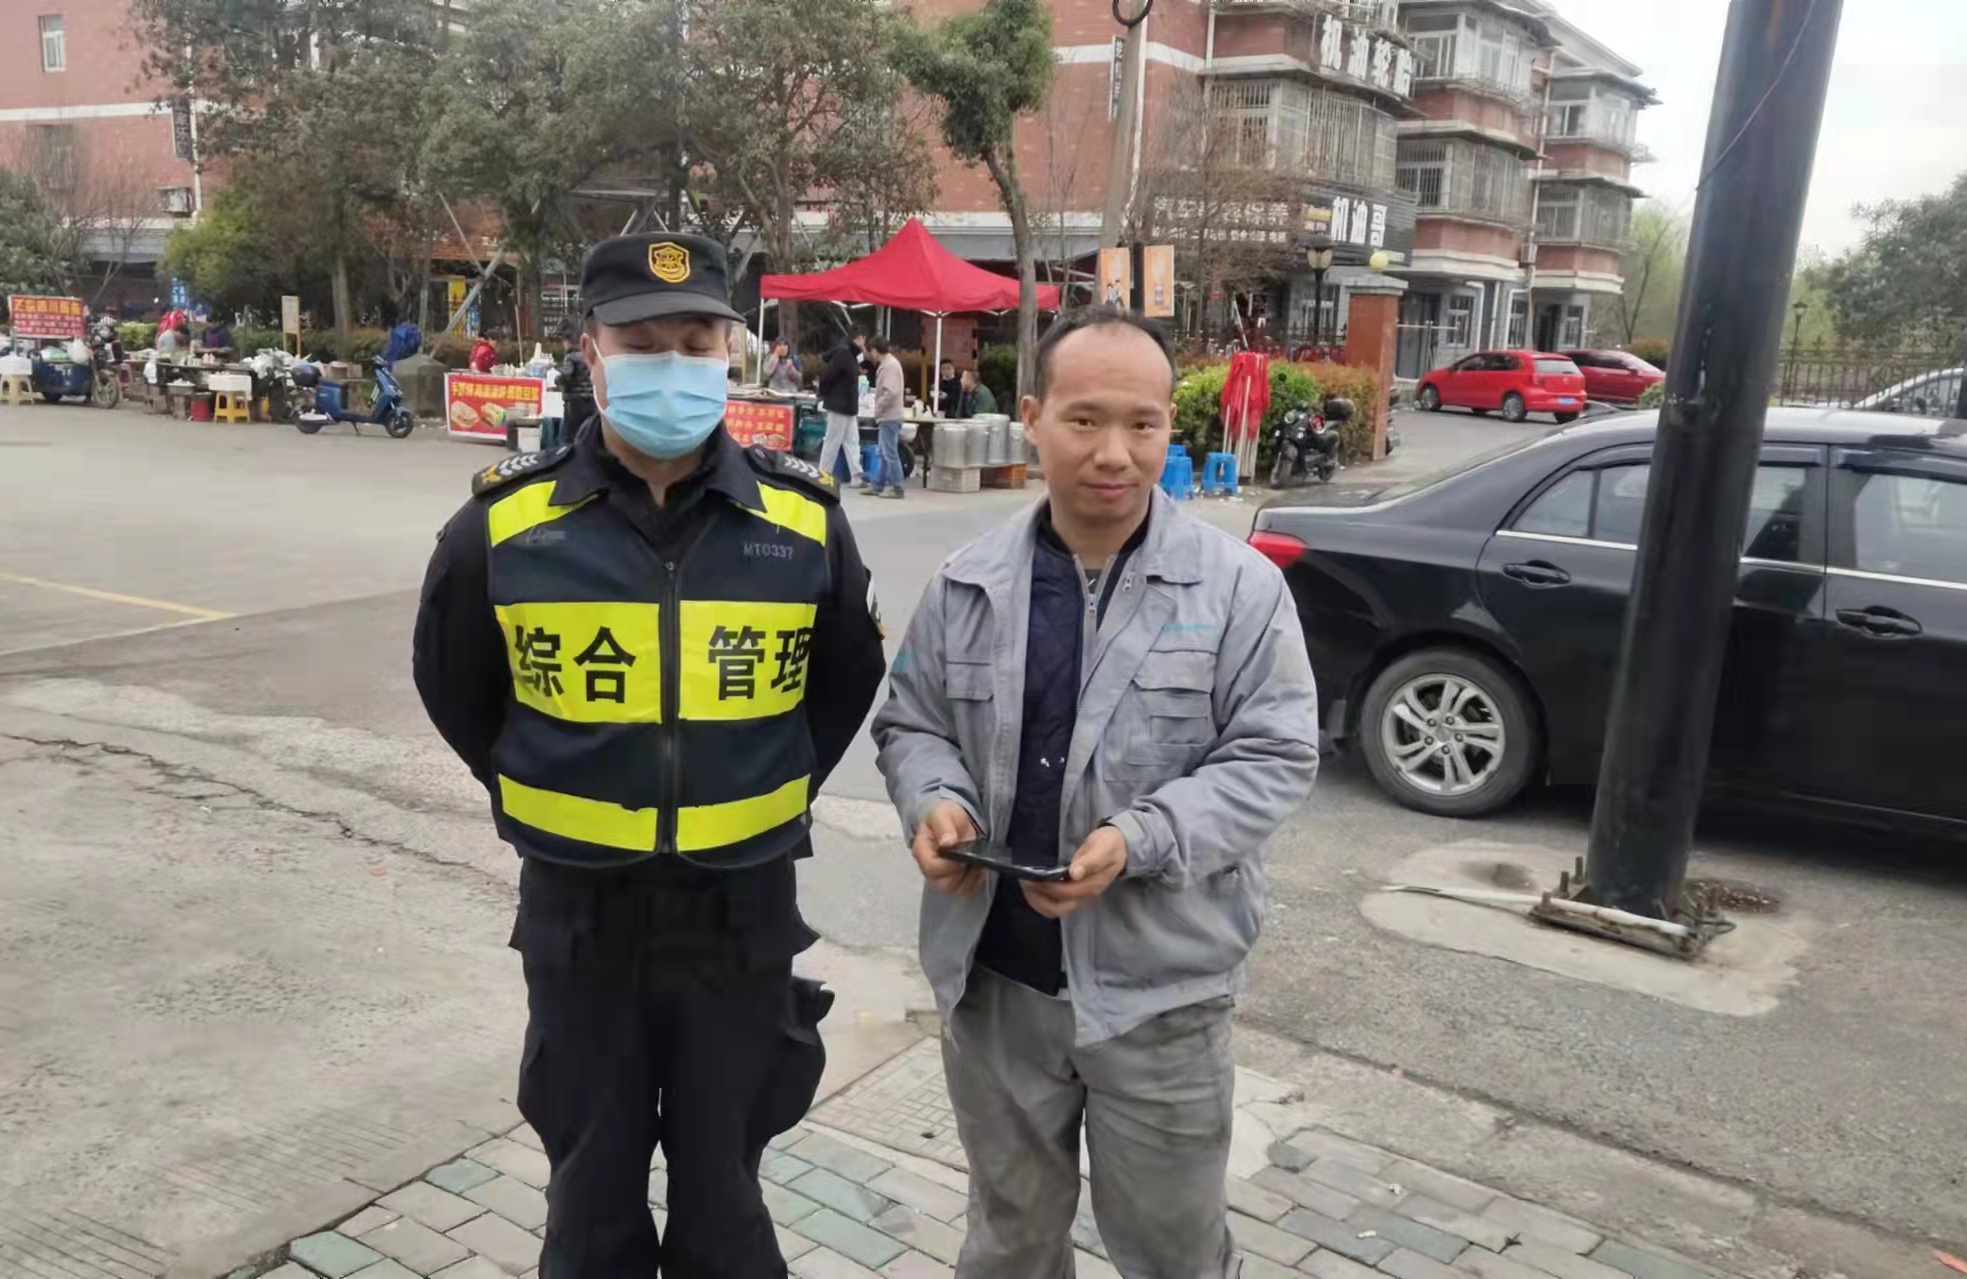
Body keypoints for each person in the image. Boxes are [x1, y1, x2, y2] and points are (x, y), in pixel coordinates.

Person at [413, 232, 886, 1279]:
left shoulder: (803, 522)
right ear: (590, 352)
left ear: (730, 353)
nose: (671, 363)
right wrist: (552, 781)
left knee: (727, 1202)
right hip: (582, 917)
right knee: (590, 1203)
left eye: (695, 340)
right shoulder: (502, 526)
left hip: (742, 917)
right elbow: (457, 688)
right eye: (640, 342)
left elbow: (841, 685)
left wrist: (752, 783)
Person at [872, 305, 1320, 1279]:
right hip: (997, 986)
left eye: (1142, 424)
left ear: (1168, 427)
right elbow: (911, 722)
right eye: (1083, 420)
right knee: (1010, 1242)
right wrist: (933, 799)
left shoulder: (1237, 591)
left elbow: (1275, 755)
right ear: (1033, 417)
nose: (1113, 452)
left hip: (1160, 998)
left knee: (1171, 1253)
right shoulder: (966, 583)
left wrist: (1140, 837)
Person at [816, 329, 866, 489]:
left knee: (851, 441)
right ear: (859, 338)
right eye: (863, 339)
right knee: (833, 440)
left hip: (847, 405)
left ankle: (856, 475)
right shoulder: (844, 354)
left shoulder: (849, 354)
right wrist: (824, 392)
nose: (864, 344)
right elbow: (829, 376)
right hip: (840, 404)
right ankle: (823, 475)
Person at [869, 336, 906, 499]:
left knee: (889, 453)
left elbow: (891, 392)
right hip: (887, 416)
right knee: (884, 453)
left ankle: (897, 487)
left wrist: (878, 406)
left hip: (890, 416)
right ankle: (878, 485)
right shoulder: (888, 364)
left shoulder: (890, 366)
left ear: (875, 350)